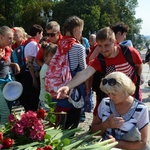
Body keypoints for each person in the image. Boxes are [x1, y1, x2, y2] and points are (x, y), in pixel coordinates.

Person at [56, 27, 142, 120]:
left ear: (115, 42)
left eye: (106, 45)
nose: (103, 49)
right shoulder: (100, 59)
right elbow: (85, 73)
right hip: (113, 97)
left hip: (131, 95)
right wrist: (68, 86)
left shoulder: (129, 52)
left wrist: (136, 81)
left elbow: (139, 66)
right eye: (100, 46)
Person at [45, 16, 87, 129]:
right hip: (73, 85)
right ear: (77, 30)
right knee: (72, 122)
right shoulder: (79, 47)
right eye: (81, 31)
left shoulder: (59, 45)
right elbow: (84, 70)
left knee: (60, 122)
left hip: (58, 85)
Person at [91, 71, 149, 149]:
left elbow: (142, 143)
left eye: (114, 94)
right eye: (108, 93)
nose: (111, 97)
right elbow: (93, 131)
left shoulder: (141, 109)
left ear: (125, 90)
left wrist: (116, 144)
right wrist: (105, 125)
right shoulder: (105, 103)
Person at [19, 24, 43, 112]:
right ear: (38, 33)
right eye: (41, 34)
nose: (42, 36)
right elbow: (30, 62)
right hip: (30, 74)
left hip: (28, 73)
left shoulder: (28, 42)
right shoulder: (33, 44)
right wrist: (34, 79)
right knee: (32, 102)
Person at [0, 26, 20, 124]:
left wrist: (14, 64)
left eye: (12, 38)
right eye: (9, 38)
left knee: (7, 109)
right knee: (5, 114)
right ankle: (3, 138)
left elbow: (4, 63)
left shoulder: (7, 50)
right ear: (1, 37)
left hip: (6, 85)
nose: (12, 41)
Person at [39, 42, 57, 111]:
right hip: (45, 99)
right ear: (51, 55)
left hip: (47, 98)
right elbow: (48, 85)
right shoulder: (46, 68)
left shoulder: (48, 67)